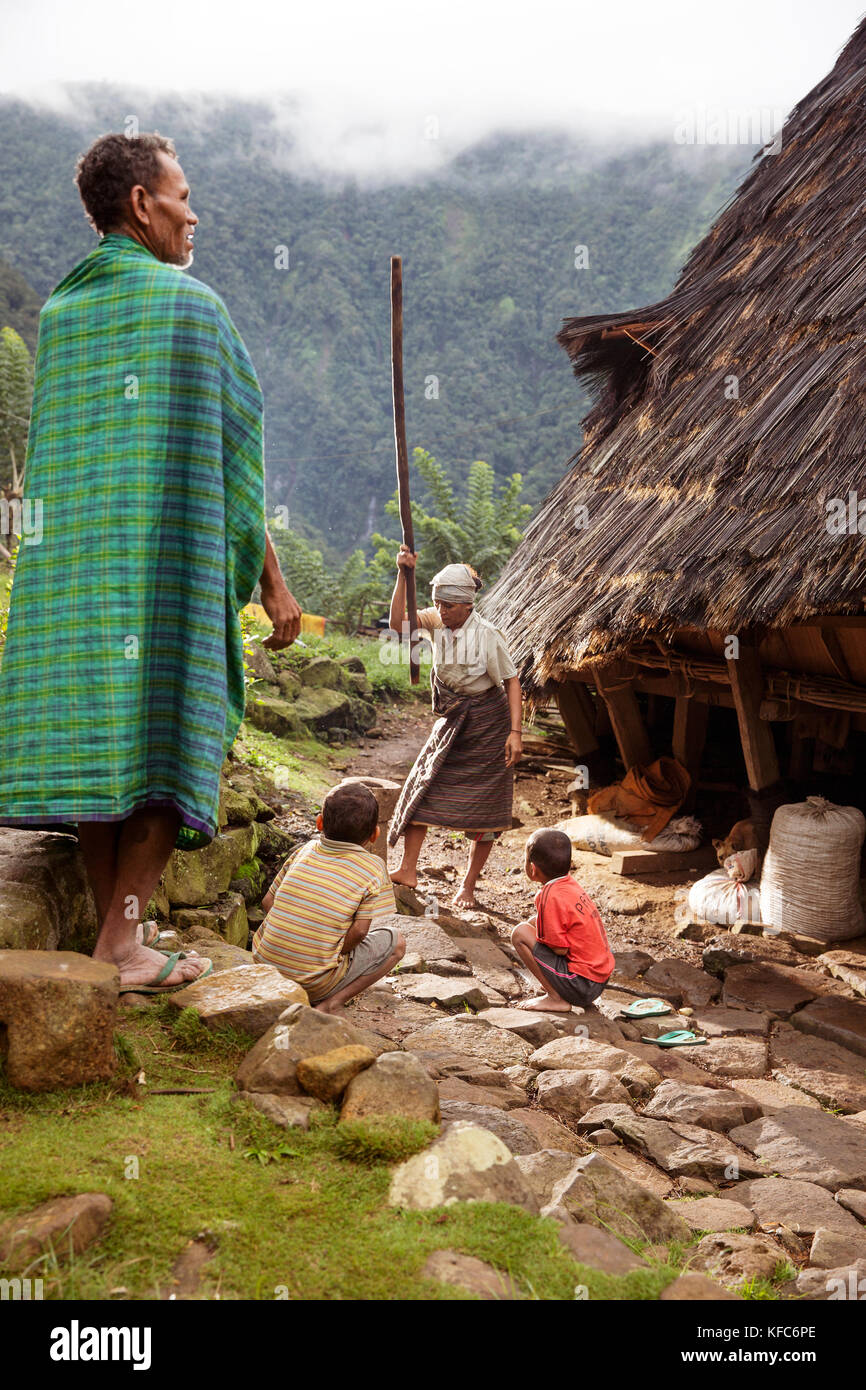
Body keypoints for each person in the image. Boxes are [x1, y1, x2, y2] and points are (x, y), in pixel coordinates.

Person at [0, 132, 302, 993]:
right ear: (142, 204)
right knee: (174, 736)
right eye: (182, 195)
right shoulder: (189, 309)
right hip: (161, 579)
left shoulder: (60, 314)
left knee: (105, 750)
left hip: (73, 585)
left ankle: (117, 937)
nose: (193, 212)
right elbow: (230, 469)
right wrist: (273, 582)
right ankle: (122, 948)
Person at [387, 545, 522, 909]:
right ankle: (408, 869)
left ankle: (468, 886)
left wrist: (515, 734)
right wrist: (403, 573)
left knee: (488, 809)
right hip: (453, 718)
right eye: (438, 605)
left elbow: (511, 681)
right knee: (423, 787)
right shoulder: (436, 623)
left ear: (466, 605)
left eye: (448, 606)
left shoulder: (488, 635)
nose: (441, 611)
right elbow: (399, 624)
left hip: (489, 725)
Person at [253, 781, 405, 1014]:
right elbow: (361, 931)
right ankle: (331, 1003)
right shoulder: (374, 867)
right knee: (397, 943)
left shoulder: (305, 850)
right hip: (315, 984)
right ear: (375, 834)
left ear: (319, 822)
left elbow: (267, 903)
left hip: (264, 966)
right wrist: (330, 951)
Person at [511, 828, 614, 1013]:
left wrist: (541, 935)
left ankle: (555, 997)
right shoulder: (569, 884)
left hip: (581, 985)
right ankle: (557, 984)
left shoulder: (549, 896)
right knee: (532, 924)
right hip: (598, 979)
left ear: (532, 868)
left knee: (520, 934)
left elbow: (560, 949)